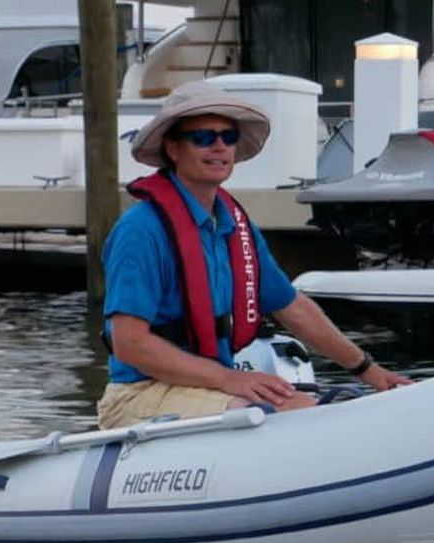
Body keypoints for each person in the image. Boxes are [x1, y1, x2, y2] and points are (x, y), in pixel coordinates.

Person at [97, 81, 412, 429]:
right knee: (286, 415)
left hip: (208, 385)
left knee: (308, 407)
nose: (219, 146)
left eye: (228, 137)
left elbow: (294, 308)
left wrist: (370, 371)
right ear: (172, 148)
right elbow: (130, 344)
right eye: (203, 137)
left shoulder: (233, 226)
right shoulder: (140, 230)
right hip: (139, 394)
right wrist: (230, 378)